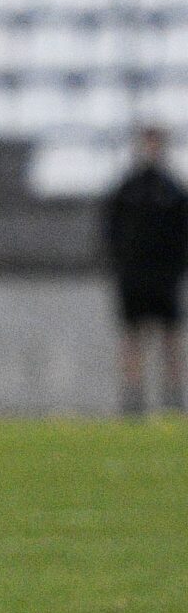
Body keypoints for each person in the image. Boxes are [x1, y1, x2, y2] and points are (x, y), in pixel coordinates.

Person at [102, 125, 187, 415]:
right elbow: (111, 231)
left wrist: (177, 267)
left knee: (170, 336)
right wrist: (120, 264)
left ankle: (173, 394)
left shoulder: (173, 190)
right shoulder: (127, 189)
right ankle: (133, 394)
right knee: (132, 335)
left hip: (165, 275)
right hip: (133, 274)